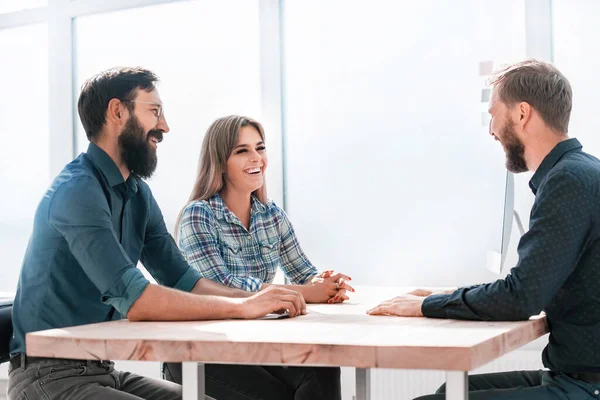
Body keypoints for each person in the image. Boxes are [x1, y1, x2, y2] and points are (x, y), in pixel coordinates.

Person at [7, 67, 306, 400]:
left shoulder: (137, 195)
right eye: (155, 111)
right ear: (117, 112)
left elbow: (184, 280)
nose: (164, 126)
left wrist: (256, 300)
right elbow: (136, 300)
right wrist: (243, 307)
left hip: (102, 370)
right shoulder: (77, 191)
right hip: (48, 377)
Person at [368, 59, 600, 399]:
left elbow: (522, 297)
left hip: (585, 384)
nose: (491, 129)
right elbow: (530, 287)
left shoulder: (567, 182)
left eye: (494, 114)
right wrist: (445, 296)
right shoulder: (580, 171)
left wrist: (428, 305)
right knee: (451, 390)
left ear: (522, 114)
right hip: (572, 373)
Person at [163, 115, 348, 399]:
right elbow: (220, 286)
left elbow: (302, 272)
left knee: (323, 367)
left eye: (260, 148)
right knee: (286, 391)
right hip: (201, 349)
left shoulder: (271, 214)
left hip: (253, 342)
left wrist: (324, 283)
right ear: (220, 162)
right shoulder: (198, 214)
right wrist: (308, 293)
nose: (256, 158)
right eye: (242, 151)